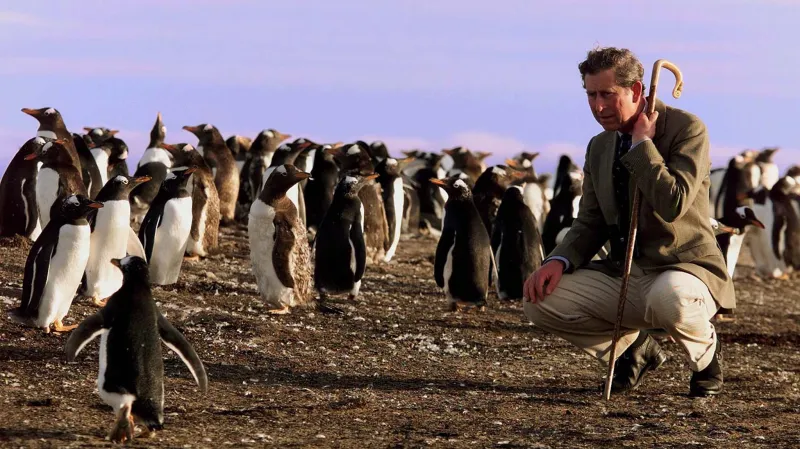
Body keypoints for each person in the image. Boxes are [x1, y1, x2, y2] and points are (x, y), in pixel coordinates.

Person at [522, 46, 733, 397]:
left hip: (684, 270)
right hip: (626, 274)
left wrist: (642, 147)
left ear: (636, 90)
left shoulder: (686, 129)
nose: (598, 106)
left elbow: (674, 203)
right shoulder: (599, 146)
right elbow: (590, 221)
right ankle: (635, 350)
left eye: (607, 94)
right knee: (539, 300)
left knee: (669, 297)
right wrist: (558, 260)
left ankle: (706, 358)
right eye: (591, 95)